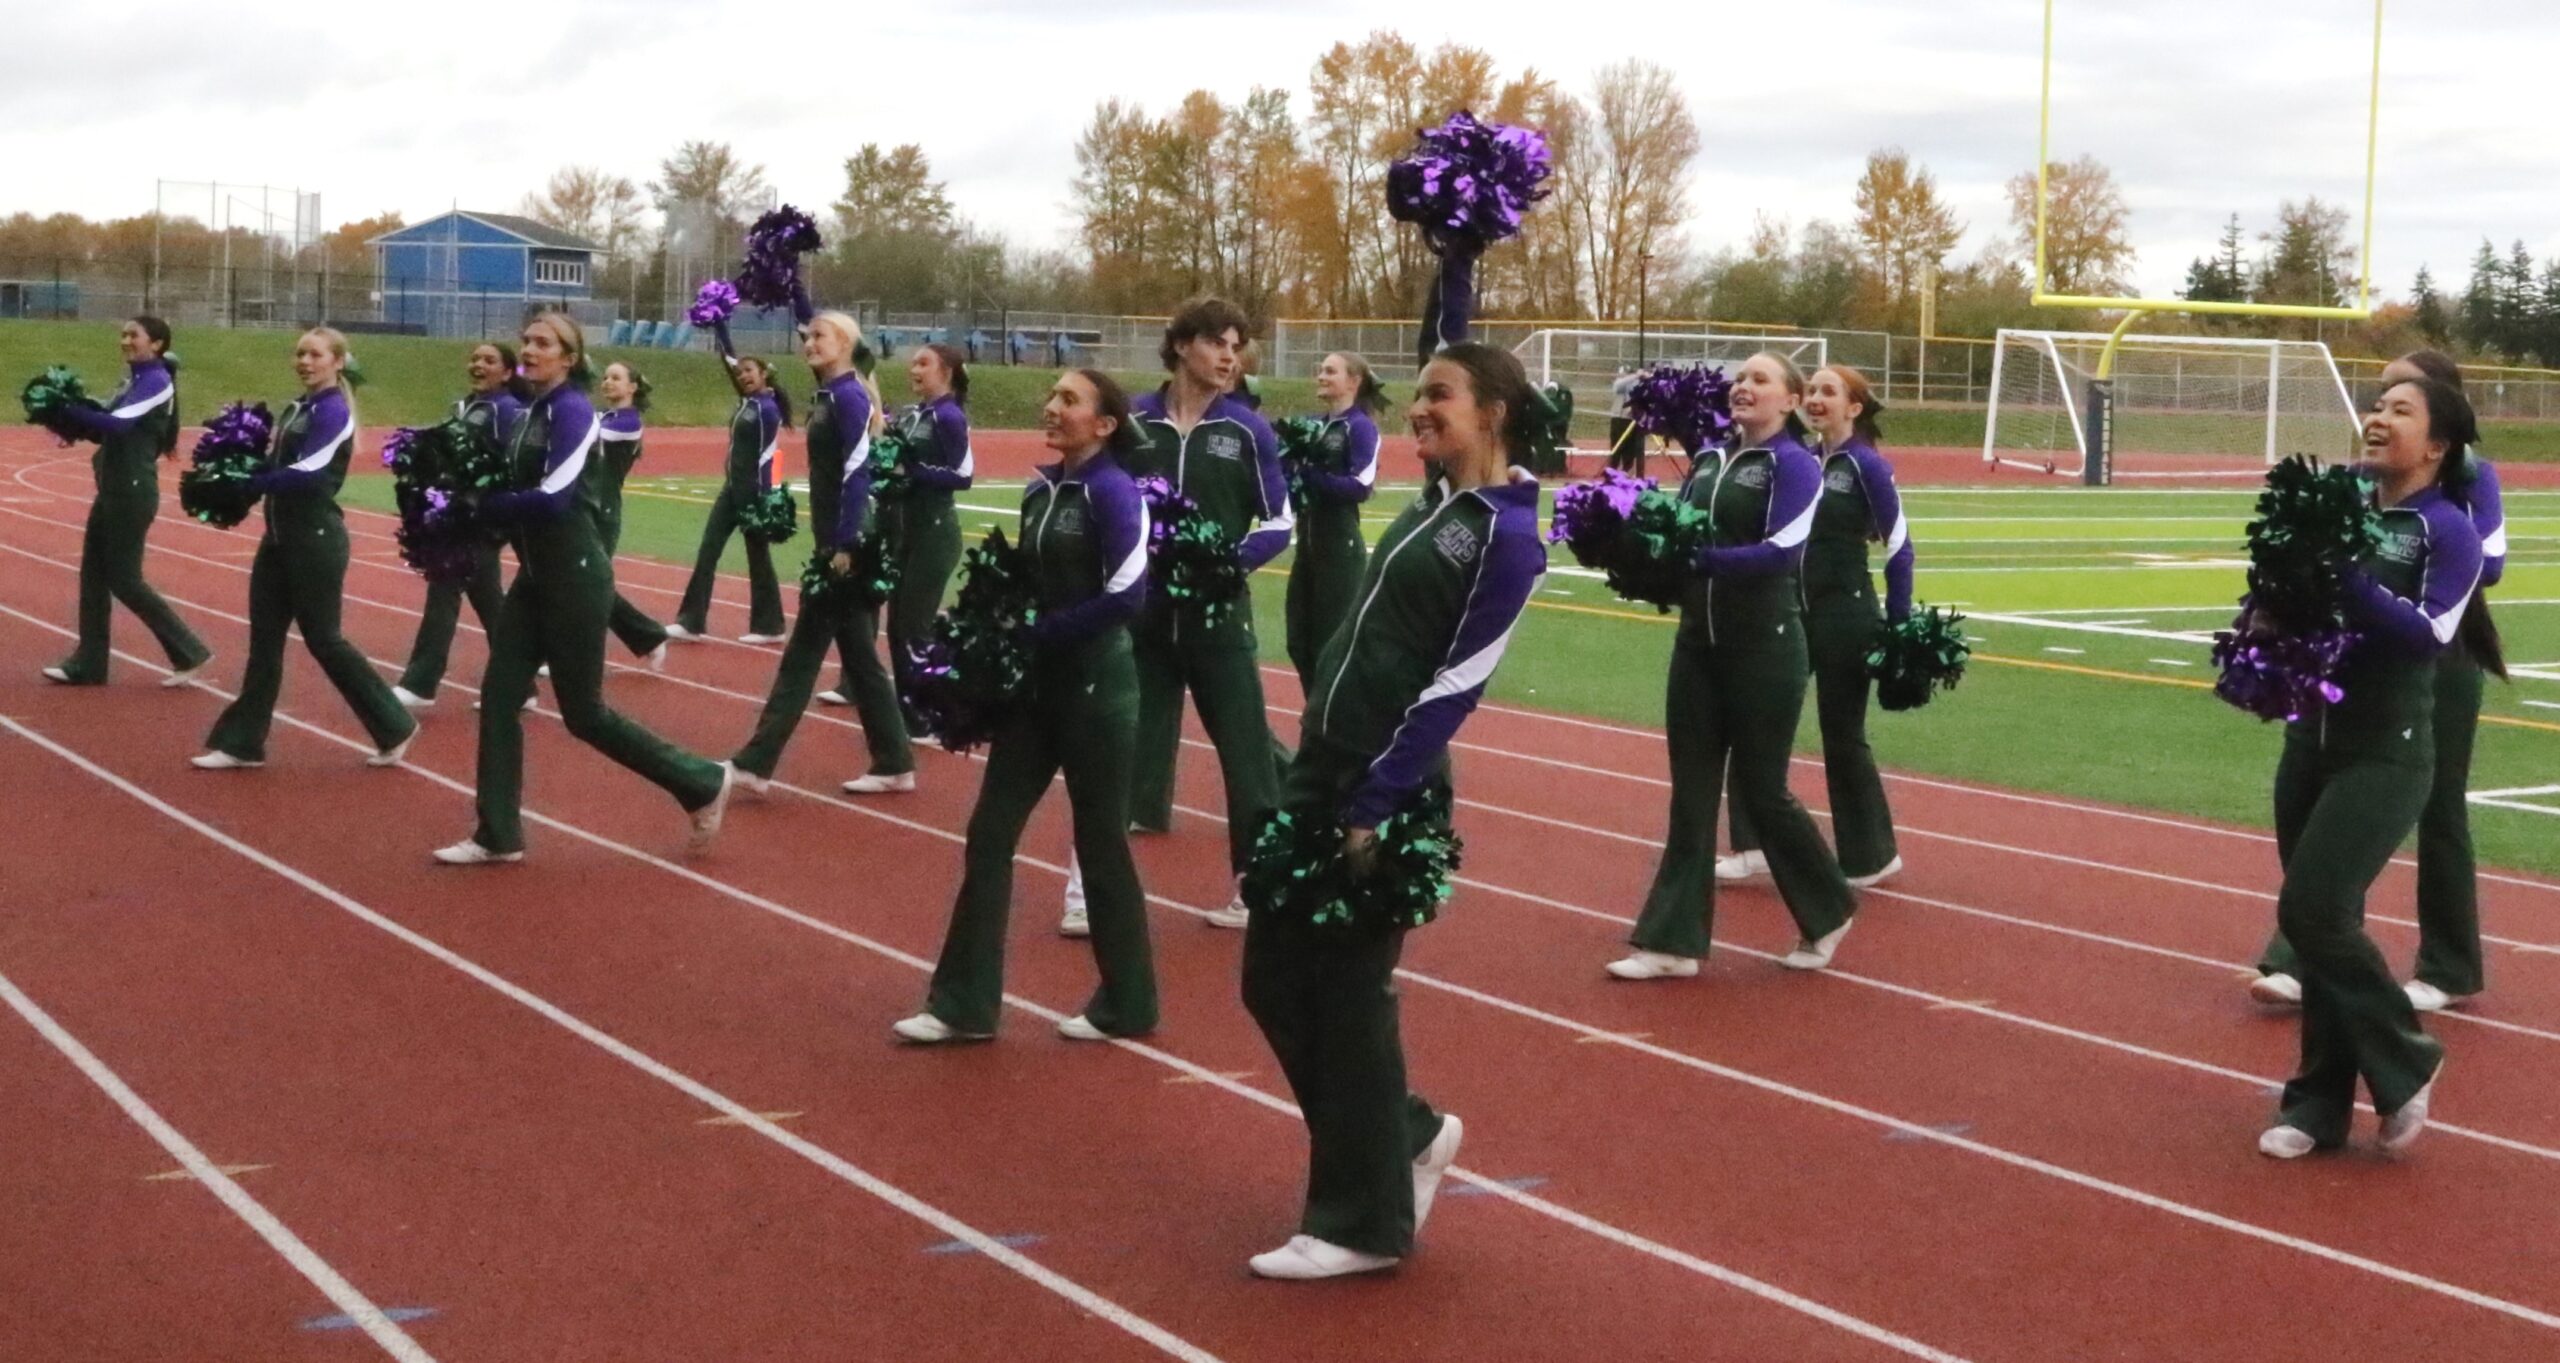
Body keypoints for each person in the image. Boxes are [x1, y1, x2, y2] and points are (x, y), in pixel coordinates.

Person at [1241, 341, 1547, 1280]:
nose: (1418, 407)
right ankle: (1405, 1134)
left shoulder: (1507, 535)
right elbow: (1448, 322)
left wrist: (1378, 794)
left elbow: (1458, 683)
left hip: (1386, 782)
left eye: (1438, 395)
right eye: (1416, 393)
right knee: (1271, 980)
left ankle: (1361, 1223)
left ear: (1493, 411)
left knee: (1347, 999)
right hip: (1323, 765)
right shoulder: (1436, 500)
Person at [2254, 376, 2486, 1160]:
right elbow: (2293, 584)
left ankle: (2407, 1056)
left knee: (2315, 907)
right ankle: (2317, 1104)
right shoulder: (2340, 498)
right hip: (2309, 737)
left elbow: (2429, 634)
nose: (2379, 418)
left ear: (2438, 443)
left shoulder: (2445, 529)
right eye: (2378, 406)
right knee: (2319, 925)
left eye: (2401, 411)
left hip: (2387, 748)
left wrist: (2345, 578)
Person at [893, 369, 1158, 1044]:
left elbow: (1127, 594)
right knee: (989, 832)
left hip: (1098, 694)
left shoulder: (1114, 491)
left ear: (1104, 424)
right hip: (1035, 694)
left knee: (1100, 844)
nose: (1052, 407)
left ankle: (1129, 1002)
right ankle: (964, 1003)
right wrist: (988, 629)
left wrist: (1038, 632)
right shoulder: (1041, 491)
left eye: (1070, 400)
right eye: (1053, 396)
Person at [432, 312, 732, 865]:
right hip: (534, 578)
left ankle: (700, 779)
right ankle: (498, 833)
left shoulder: (572, 411)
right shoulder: (529, 411)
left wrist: (481, 505)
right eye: (526, 340)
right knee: (499, 698)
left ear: (569, 359)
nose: (530, 349)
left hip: (575, 576)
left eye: (543, 343)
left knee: (584, 714)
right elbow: (505, 484)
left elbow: (554, 497)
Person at [1607, 352, 1858, 981]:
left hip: (1765, 649)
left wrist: (1697, 562)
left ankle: (1828, 908)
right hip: (1698, 646)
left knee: (1763, 792)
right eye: (1740, 378)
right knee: (1691, 796)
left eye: (1760, 380)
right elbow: (1678, 531)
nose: (1744, 386)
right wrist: (1638, 556)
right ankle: (1672, 943)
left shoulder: (1795, 465)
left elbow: (1781, 551)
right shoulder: (1710, 459)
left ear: (1790, 400)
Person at [1116, 298, 1294, 926]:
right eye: (1217, 343)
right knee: (1120, 743)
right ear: (1181, 345)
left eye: (1236, 347)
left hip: (1218, 617)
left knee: (1245, 754)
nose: (1229, 357)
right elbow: (1106, 498)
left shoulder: (1247, 430)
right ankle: (1096, 892)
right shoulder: (1134, 420)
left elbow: (1279, 522)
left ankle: (1256, 885)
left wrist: (1225, 565)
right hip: (1144, 613)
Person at [1720, 363, 1912, 889]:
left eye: (1830, 392)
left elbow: (1899, 546)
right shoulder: (1800, 460)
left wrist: (1900, 626)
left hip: (1846, 615)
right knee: (1756, 719)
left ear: (1854, 407)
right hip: (1791, 612)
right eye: (1812, 391)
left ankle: (1871, 856)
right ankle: (1753, 846)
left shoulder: (1866, 465)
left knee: (1842, 736)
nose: (1816, 399)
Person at [191, 329, 418, 770]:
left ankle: (394, 724)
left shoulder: (334, 411)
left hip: (314, 540)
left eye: (315, 354)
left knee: (325, 640)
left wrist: (249, 483)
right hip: (278, 539)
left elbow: (309, 472)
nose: (305, 362)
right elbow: (277, 464)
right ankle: (242, 743)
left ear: (338, 361)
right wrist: (229, 470)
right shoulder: (298, 407)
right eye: (300, 354)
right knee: (264, 643)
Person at [731, 312, 912, 793]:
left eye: (819, 336)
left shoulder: (850, 396)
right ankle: (894, 760)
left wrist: (845, 543)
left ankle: (755, 763)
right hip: (833, 542)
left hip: (844, 547)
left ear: (847, 343)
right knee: (860, 660)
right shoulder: (831, 393)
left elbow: (857, 469)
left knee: (803, 657)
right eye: (807, 336)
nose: (809, 342)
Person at [822, 343, 975, 793]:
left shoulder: (949, 416)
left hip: (934, 534)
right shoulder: (913, 414)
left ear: (947, 371)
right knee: (899, 627)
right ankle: (914, 713)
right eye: (913, 363)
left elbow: (963, 475)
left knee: (914, 626)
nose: (914, 369)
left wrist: (912, 470)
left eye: (924, 363)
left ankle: (931, 714)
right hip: (903, 533)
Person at [39, 315, 213, 688]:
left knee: (125, 579)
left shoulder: (156, 381)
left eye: (134, 335)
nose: (125, 340)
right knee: (93, 576)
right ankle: (89, 664)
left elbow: (118, 423)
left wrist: (67, 409)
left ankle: (190, 650)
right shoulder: (133, 380)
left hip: (131, 492)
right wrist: (67, 419)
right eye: (123, 334)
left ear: (157, 344)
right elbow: (106, 429)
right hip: (113, 487)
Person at [391, 342, 525, 709]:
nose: (478, 364)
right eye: (475, 358)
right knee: (489, 601)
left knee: (444, 587)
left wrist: (486, 500)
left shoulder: (507, 410)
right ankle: (522, 682)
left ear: (508, 372)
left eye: (489, 360)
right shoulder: (466, 406)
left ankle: (420, 682)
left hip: (480, 518)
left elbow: (511, 463)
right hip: (456, 515)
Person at [669, 351, 788, 644]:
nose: (744, 376)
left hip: (751, 493)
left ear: (764, 374)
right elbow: (728, 357)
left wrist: (764, 498)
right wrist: (719, 329)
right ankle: (691, 621)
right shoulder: (747, 403)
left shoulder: (767, 409)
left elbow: (767, 457)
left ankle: (770, 626)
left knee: (758, 558)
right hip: (731, 489)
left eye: (749, 371)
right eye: (740, 373)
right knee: (708, 551)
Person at [1283, 352, 1383, 696]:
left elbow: (1360, 486)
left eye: (1330, 371)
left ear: (1353, 382)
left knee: (1331, 645)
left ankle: (1331, 716)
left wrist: (1308, 476)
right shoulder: (1312, 424)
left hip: (1340, 547)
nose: (1321, 376)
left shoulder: (1360, 427)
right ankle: (1316, 711)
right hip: (1307, 545)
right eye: (1321, 370)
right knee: (1298, 641)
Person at [592, 361, 673, 667]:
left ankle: (647, 635)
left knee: (588, 585)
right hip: (584, 505)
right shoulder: (605, 415)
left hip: (602, 511)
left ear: (632, 387)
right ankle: (648, 636)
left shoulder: (628, 422)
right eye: (605, 377)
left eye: (616, 378)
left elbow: (586, 434)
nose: (607, 382)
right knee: (579, 583)